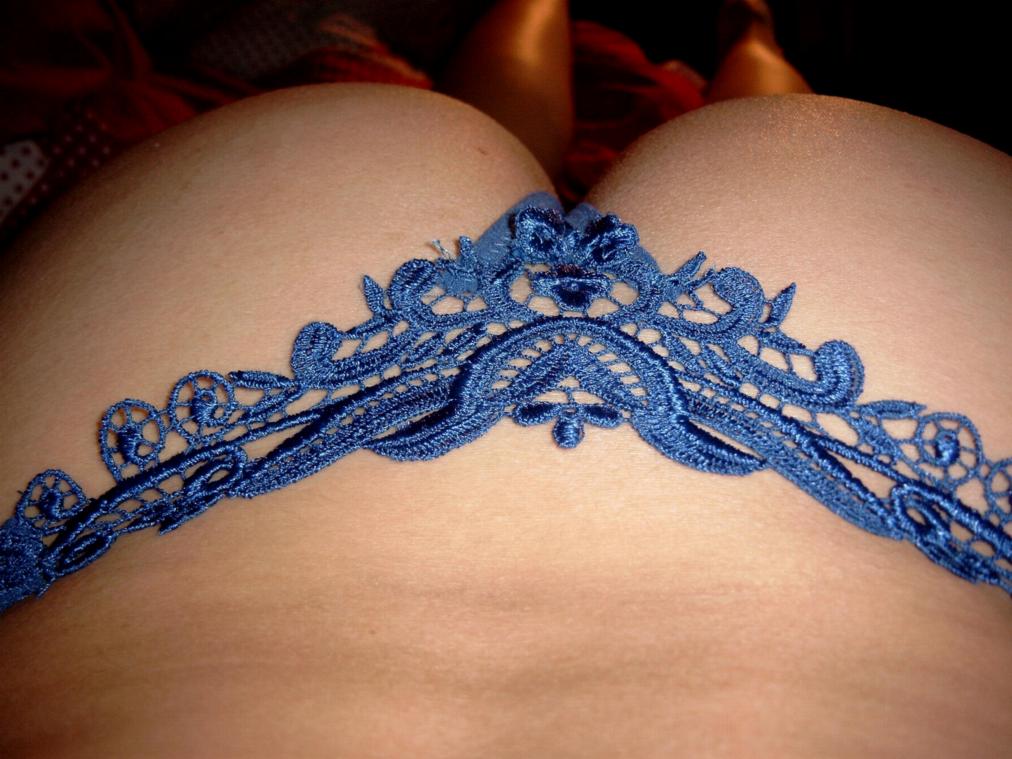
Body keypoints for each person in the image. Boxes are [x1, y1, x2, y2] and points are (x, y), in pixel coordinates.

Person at [0, 1, 1009, 756]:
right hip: (850, 210)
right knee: (776, 117)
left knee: (482, 118)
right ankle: (745, 28)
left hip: (298, 193)